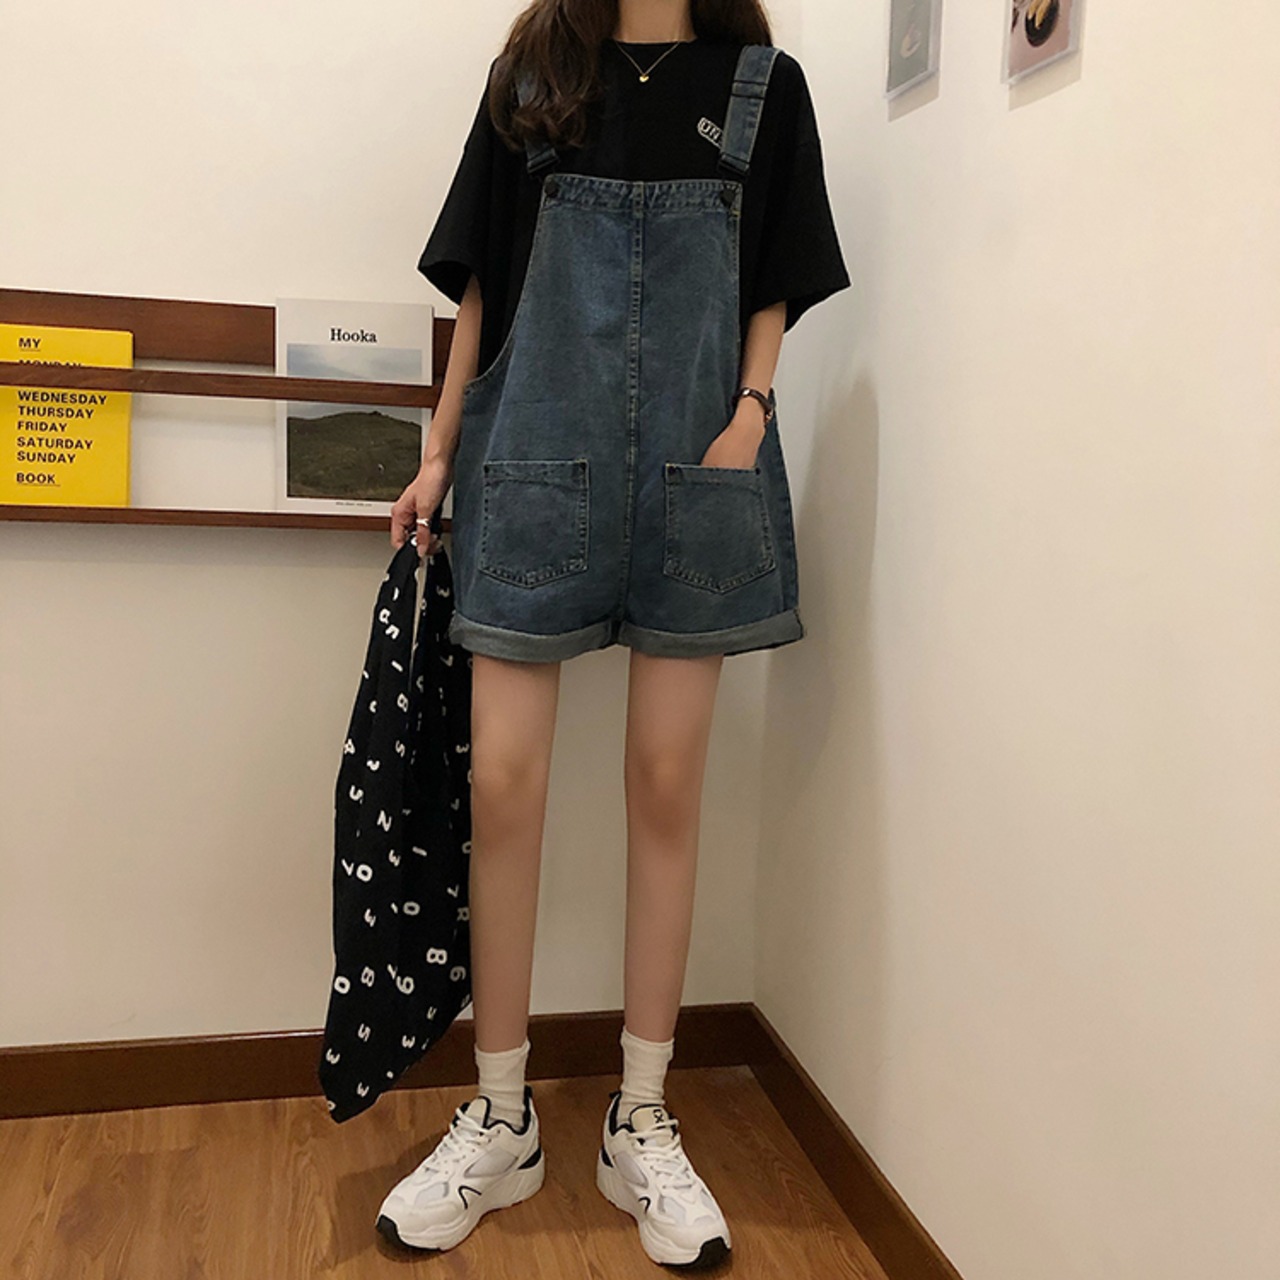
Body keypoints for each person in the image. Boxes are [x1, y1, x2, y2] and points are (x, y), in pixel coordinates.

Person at [379, 0, 849, 1267]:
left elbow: (773, 276)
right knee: (504, 781)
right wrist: (437, 450)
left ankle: (640, 1112)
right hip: (531, 458)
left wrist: (751, 412)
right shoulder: (531, 73)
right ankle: (501, 1113)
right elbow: (483, 286)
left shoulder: (761, 86)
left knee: (666, 779)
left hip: (700, 462)